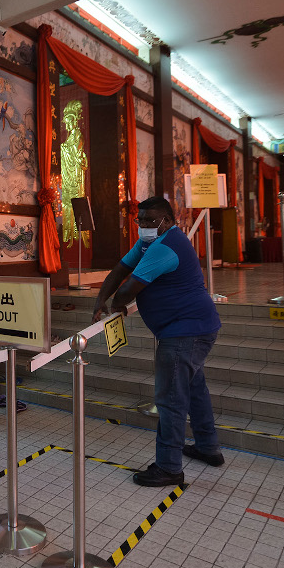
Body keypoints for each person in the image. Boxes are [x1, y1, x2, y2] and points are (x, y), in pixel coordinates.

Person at [92, 197, 224, 486]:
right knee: (194, 389)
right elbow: (119, 270)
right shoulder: (149, 243)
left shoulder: (166, 247)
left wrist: (116, 304)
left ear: (167, 220)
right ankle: (207, 447)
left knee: (171, 400)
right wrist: (102, 299)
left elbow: (129, 289)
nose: (144, 226)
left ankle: (169, 467)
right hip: (192, 328)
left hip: (184, 332)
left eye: (151, 221)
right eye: (140, 221)